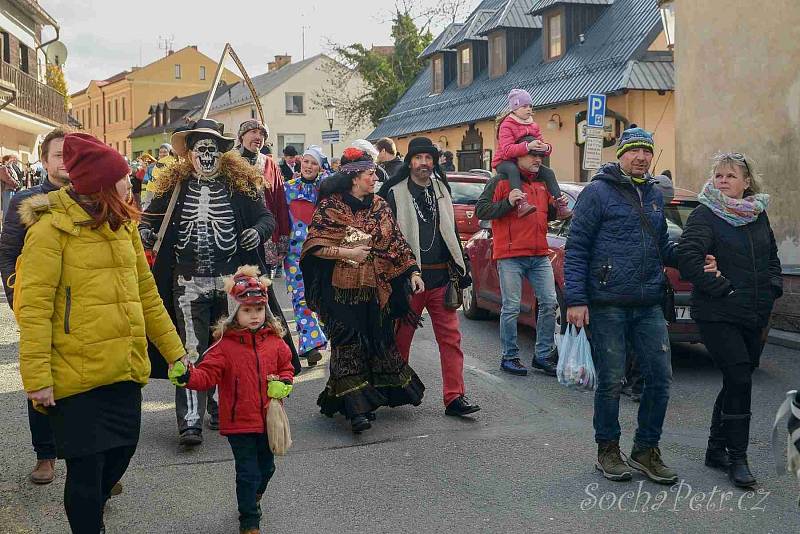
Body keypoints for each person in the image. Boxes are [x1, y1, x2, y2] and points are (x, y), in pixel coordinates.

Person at [16, 133, 185, 534]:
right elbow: (34, 311)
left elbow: (147, 295)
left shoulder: (123, 226)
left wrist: (175, 351)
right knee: (86, 472)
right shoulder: (49, 231)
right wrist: (37, 378)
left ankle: (94, 508)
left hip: (122, 368)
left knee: (121, 453)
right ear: (102, 184)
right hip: (74, 375)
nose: (130, 183)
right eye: (123, 177)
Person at [564, 126, 712, 485]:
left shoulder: (654, 195)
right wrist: (577, 300)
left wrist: (695, 262)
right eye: (633, 151)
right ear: (621, 155)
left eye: (646, 151)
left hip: (648, 302)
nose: (641, 157)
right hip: (607, 303)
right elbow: (577, 247)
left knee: (660, 379)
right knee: (612, 381)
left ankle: (646, 450)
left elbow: (663, 245)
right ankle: (608, 450)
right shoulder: (597, 193)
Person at [140, 118, 276, 447]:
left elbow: (266, 217)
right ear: (189, 154)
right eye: (200, 148)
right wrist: (146, 232)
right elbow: (147, 218)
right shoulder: (175, 188)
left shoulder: (238, 186)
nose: (206, 155)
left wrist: (256, 232)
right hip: (187, 280)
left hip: (230, 281)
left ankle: (218, 404)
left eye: (211, 149)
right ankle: (190, 421)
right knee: (190, 349)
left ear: (221, 153)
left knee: (228, 347)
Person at [300, 147, 425, 433]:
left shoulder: (380, 205)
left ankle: (364, 398)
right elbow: (314, 246)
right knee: (346, 344)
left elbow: (396, 241)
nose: (374, 178)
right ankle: (357, 411)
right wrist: (347, 252)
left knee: (374, 340)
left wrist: (413, 272)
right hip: (340, 291)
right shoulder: (331, 206)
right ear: (355, 177)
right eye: (370, 174)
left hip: (375, 287)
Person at [677, 152, 782, 488]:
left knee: (737, 378)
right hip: (718, 311)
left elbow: (772, 259)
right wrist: (722, 288)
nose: (723, 181)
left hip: (754, 312)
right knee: (739, 376)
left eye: (730, 176)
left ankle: (714, 448)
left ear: (747, 182)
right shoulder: (705, 214)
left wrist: (773, 288)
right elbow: (688, 258)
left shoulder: (758, 215)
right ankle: (738, 458)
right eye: (719, 175)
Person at [168, 265, 294, 534]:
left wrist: (285, 383)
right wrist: (186, 377)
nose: (254, 316)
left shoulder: (275, 342)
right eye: (247, 310)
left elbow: (286, 367)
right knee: (247, 471)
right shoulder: (223, 347)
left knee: (267, 468)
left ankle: (254, 496)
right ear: (235, 311)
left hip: (268, 418)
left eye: (259, 309)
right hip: (239, 422)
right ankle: (249, 518)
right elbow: (205, 377)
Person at [378, 137, 481, 417]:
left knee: (451, 341)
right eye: (418, 158)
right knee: (401, 339)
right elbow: (388, 239)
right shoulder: (395, 192)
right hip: (408, 281)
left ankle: (454, 397)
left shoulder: (441, 189)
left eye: (428, 158)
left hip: (441, 279)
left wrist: (462, 269)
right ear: (410, 161)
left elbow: (450, 231)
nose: (424, 163)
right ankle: (396, 388)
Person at [0, 129, 70, 485]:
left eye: (70, 153)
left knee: (81, 383)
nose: (65, 160)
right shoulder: (25, 201)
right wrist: (20, 302)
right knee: (40, 381)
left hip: (80, 311)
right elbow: (8, 255)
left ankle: (82, 455)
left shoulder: (90, 197)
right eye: (58, 154)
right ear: (44, 161)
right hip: (38, 308)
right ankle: (45, 454)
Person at [476, 137, 559, 377]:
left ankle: (542, 355)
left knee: (549, 302)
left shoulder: (543, 182)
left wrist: (557, 210)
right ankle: (509, 357)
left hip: (539, 253)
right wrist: (508, 203)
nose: (537, 160)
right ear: (518, 156)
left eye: (540, 156)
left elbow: (546, 216)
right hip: (510, 255)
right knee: (511, 306)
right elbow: (481, 211)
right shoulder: (501, 181)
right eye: (532, 155)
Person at [235, 120, 302, 371]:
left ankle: (280, 357)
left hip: (263, 235)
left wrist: (280, 236)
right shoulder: (229, 162)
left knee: (263, 295)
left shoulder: (269, 164)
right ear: (242, 136)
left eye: (262, 134)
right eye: (253, 132)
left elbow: (277, 201)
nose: (258, 137)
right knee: (237, 299)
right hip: (236, 238)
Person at [281, 145, 330, 365]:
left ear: (319, 167)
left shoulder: (327, 190)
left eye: (314, 163)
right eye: (306, 161)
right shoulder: (287, 189)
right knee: (300, 299)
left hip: (321, 253)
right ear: (300, 163)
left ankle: (319, 336)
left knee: (321, 297)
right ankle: (310, 346)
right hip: (294, 256)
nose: (309, 166)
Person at [491, 89, 570, 219]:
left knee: (548, 172)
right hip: (504, 161)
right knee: (513, 170)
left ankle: (560, 204)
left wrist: (546, 147)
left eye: (530, 106)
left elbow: (541, 144)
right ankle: (521, 203)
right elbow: (507, 150)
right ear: (515, 109)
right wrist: (527, 147)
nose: (529, 109)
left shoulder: (533, 125)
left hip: (520, 159)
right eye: (524, 106)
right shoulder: (506, 125)